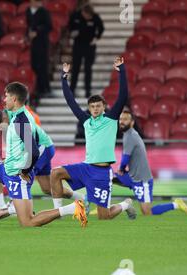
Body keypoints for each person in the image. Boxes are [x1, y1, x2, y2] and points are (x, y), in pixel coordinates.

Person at [0, 82, 87, 227]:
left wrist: (25, 171)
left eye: (7, 96)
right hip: (6, 168)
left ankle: (73, 208)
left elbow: (33, 151)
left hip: (16, 175)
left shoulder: (22, 121)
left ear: (14, 99)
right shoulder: (16, 114)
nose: (4, 100)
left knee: (28, 222)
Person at [51, 57, 136, 221]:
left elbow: (123, 95)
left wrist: (122, 70)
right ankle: (58, 213)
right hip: (86, 168)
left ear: (103, 107)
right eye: (92, 106)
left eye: (98, 106)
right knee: (55, 173)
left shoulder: (111, 119)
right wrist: (63, 77)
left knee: (104, 217)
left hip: (102, 173)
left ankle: (126, 204)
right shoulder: (86, 121)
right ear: (89, 108)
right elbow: (71, 102)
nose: (95, 109)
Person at [113, 110, 187, 216]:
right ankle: (103, 209)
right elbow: (126, 156)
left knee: (147, 212)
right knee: (107, 178)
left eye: (125, 119)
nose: (122, 121)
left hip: (142, 180)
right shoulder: (128, 134)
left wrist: (121, 169)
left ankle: (176, 204)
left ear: (132, 123)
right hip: (132, 176)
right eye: (121, 119)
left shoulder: (130, 136)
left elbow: (126, 158)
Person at [69, 4, 104, 98]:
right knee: (75, 68)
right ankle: (72, 89)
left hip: (89, 45)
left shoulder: (95, 17)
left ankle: (87, 90)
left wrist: (96, 38)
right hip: (78, 45)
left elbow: (101, 28)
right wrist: (73, 33)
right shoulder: (75, 16)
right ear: (83, 12)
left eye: (90, 16)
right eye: (87, 16)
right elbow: (70, 27)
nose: (88, 18)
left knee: (88, 68)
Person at [26, 0, 52, 97]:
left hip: (42, 42)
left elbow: (48, 26)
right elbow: (29, 25)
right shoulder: (28, 11)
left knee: (42, 66)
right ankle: (37, 87)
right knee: (34, 65)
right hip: (34, 43)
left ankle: (45, 88)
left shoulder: (44, 12)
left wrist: (37, 32)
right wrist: (28, 35)